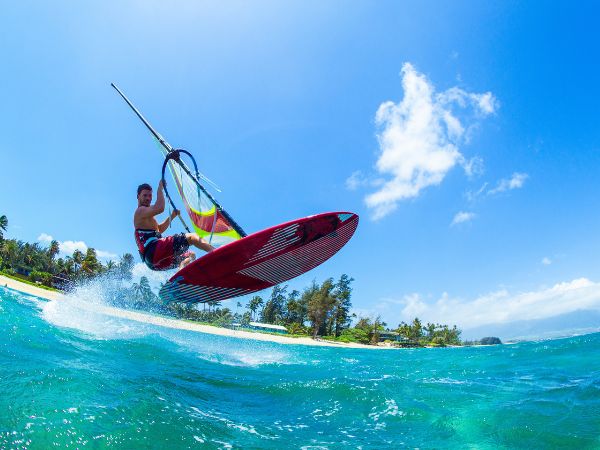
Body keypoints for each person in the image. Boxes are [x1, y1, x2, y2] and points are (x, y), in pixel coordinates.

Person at [134, 181, 214, 270]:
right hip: (154, 250)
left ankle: (181, 274)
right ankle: (216, 253)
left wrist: (172, 216)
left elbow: (159, 230)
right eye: (145, 195)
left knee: (191, 255)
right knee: (192, 237)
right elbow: (160, 208)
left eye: (150, 196)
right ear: (138, 196)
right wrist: (160, 188)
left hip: (153, 263)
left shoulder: (146, 216)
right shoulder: (140, 211)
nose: (148, 198)